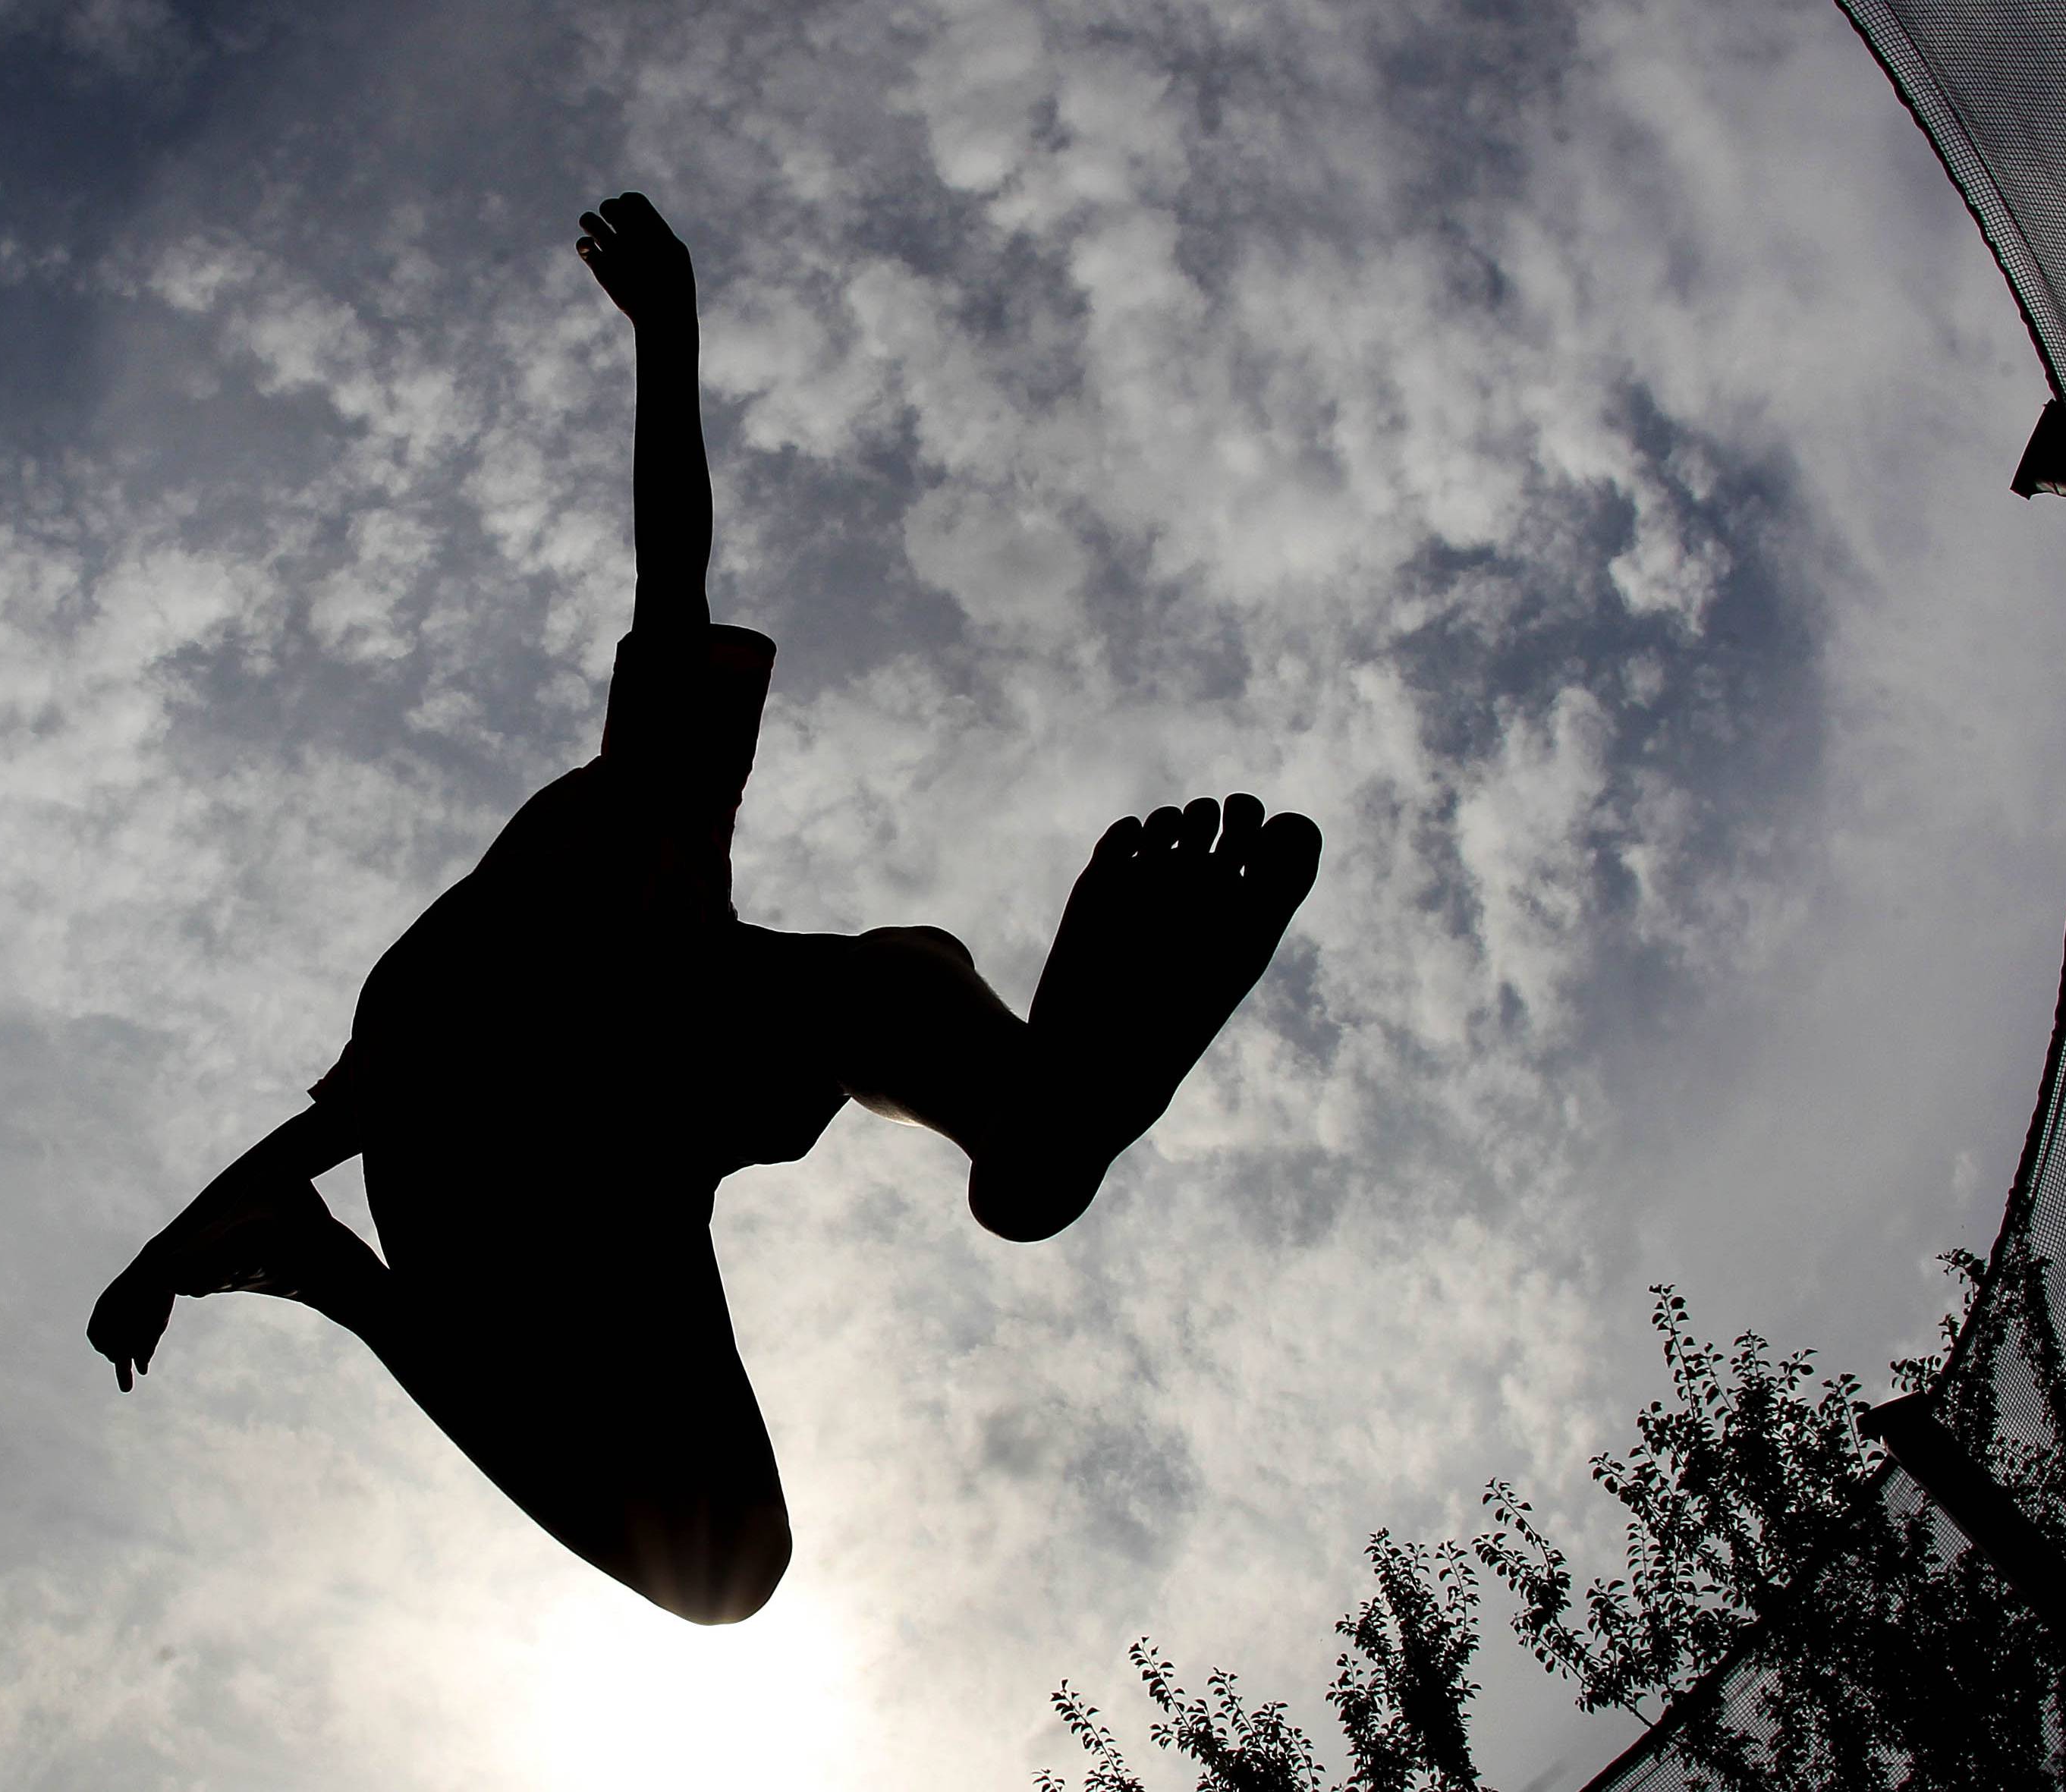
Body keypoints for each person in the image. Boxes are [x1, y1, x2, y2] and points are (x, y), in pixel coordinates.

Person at [87, 193, 1322, 1625]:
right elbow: (367, 1114)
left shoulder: (671, 846)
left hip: (638, 1159)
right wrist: (195, 1241)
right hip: (483, 1187)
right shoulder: (536, 924)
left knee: (893, 975)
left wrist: (669, 332)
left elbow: (672, 564)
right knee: (726, 1569)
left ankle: (1027, 1114)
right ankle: (335, 1278)